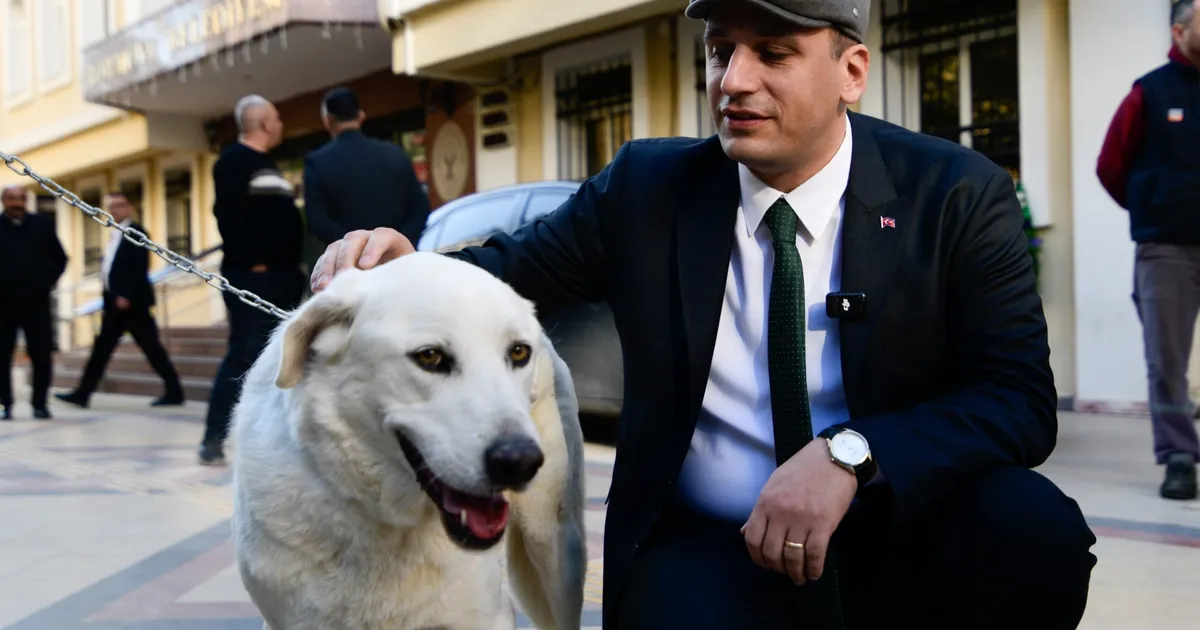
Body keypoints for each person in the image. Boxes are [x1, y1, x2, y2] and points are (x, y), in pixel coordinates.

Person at [311, 1, 1098, 628]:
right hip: (703, 544)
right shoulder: (648, 189)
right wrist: (397, 269)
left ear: (852, 71)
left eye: (775, 53)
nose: (733, 80)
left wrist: (850, 456)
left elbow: (1017, 400)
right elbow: (499, 276)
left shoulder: (955, 196)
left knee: (1036, 534)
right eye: (722, 50)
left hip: (892, 526)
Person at [1096, 0, 1200, 501]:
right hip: (1167, 250)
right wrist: (1153, 210)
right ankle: (1179, 457)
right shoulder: (1149, 93)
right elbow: (1111, 167)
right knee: (1167, 360)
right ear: (1180, 29)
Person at [200, 94, 305, 466]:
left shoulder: (266, 164)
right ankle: (213, 437)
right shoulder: (233, 161)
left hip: (283, 277)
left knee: (279, 356)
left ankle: (272, 435)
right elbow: (227, 216)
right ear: (263, 123)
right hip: (253, 277)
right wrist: (254, 261)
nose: (280, 124)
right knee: (243, 353)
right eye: (275, 118)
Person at [54, 193, 185, 410]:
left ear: (129, 208)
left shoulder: (136, 232)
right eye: (111, 206)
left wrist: (126, 295)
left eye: (119, 205)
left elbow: (138, 267)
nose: (115, 210)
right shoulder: (114, 234)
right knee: (101, 350)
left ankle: (174, 392)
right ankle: (82, 393)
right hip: (113, 304)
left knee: (151, 348)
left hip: (132, 305)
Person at [302, 87, 431, 247]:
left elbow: (317, 221)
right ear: (361, 116)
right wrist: (397, 242)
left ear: (327, 121)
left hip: (350, 263)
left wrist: (357, 246)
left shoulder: (317, 162)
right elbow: (420, 209)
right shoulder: (395, 153)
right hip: (397, 258)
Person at [0, 185, 68, 421]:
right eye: (12, 199)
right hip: (3, 305)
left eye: (20, 199)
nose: (16, 203)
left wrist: (45, 283)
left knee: (40, 355)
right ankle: (3, 407)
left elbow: (60, 259)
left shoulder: (42, 225)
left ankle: (40, 405)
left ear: (26, 200)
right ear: (3, 201)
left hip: (36, 303)